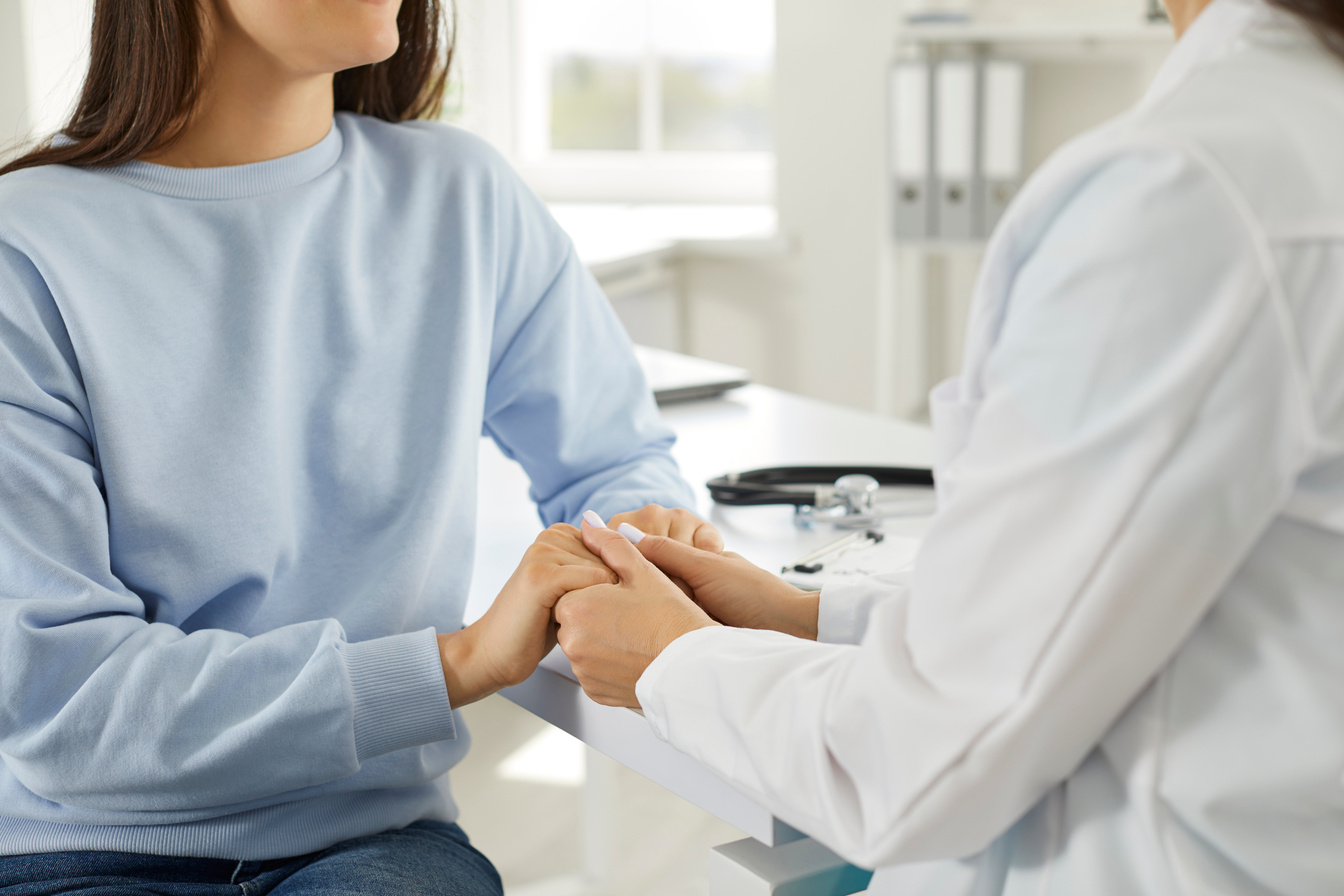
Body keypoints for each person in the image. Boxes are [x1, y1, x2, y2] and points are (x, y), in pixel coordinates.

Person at [553, 0, 1344, 893]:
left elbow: (919, 757)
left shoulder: (1194, 190)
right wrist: (807, 613)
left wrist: (670, 661)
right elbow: (1130, 598)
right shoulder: (1295, 138)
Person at [0, 0, 721, 893]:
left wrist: (644, 533)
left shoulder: (462, 196)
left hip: (371, 841)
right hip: (75, 853)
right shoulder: (22, 250)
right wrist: (454, 662)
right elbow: (68, 707)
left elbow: (615, 459)